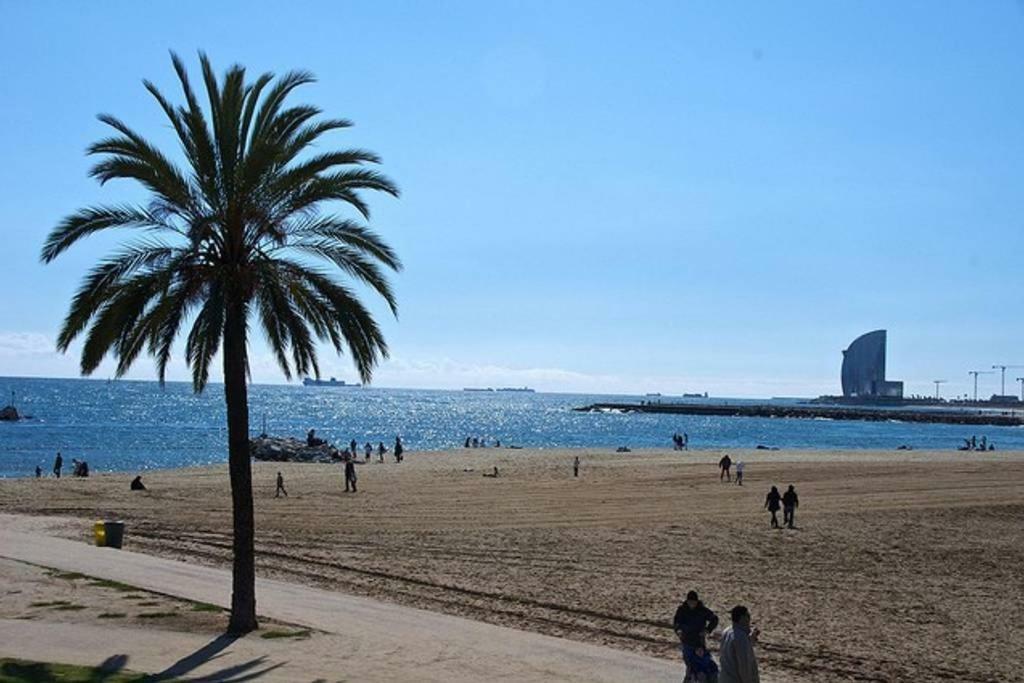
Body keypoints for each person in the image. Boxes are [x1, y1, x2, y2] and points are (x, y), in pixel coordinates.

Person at [673, 590, 719, 680]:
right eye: (690, 602)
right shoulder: (682, 610)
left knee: (701, 666)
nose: (692, 604)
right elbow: (676, 622)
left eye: (694, 602)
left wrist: (707, 630)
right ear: (687, 601)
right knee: (690, 667)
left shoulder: (702, 610)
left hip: (699, 643)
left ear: (697, 601)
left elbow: (714, 619)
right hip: (686, 642)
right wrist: (678, 630)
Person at [718, 605, 760, 683]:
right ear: (742, 618)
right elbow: (744, 666)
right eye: (747, 616)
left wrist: (750, 638)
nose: (749, 619)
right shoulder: (740, 637)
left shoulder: (727, 631)